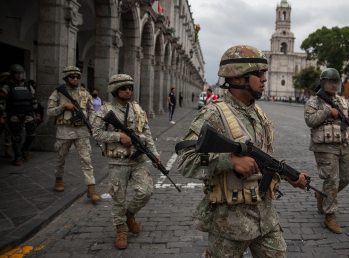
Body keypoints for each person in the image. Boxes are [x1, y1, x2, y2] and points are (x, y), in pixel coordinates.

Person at [176, 45, 309, 257]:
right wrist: (230, 161)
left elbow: (264, 157)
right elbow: (185, 160)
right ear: (237, 78)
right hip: (229, 225)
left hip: (265, 220)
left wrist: (288, 174)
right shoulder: (213, 114)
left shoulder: (257, 113)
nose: (264, 79)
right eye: (259, 74)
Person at [92, 74, 160, 250]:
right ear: (115, 91)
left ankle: (130, 215)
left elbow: (147, 132)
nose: (128, 90)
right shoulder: (106, 110)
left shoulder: (137, 109)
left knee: (146, 191)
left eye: (130, 87)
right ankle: (121, 229)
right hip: (118, 162)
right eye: (123, 88)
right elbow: (96, 133)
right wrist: (118, 136)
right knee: (118, 198)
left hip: (137, 160)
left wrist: (154, 154)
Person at [304, 68, 349, 234]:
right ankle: (330, 215)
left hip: (342, 146)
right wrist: (328, 111)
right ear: (323, 83)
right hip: (324, 147)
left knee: (346, 177)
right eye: (330, 82)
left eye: (336, 82)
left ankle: (323, 196)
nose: (333, 85)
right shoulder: (314, 102)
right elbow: (310, 120)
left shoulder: (343, 102)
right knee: (332, 180)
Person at [46, 66, 100, 202]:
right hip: (64, 131)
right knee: (60, 158)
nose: (75, 79)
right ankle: (58, 179)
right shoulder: (58, 93)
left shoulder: (84, 93)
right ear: (66, 78)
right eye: (72, 77)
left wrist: (91, 123)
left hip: (81, 131)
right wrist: (63, 106)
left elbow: (91, 110)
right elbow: (50, 112)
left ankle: (91, 188)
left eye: (77, 77)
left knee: (86, 160)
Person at [0, 64, 41, 165]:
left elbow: (34, 100)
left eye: (21, 73)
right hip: (14, 114)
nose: (19, 76)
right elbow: (1, 102)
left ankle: (25, 150)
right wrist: (1, 115)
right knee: (16, 137)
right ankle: (18, 157)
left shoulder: (28, 86)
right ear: (13, 74)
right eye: (17, 74)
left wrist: (38, 113)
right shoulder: (7, 86)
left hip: (27, 113)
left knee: (32, 133)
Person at [0, 71, 13, 158]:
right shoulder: (4, 88)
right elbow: (1, 102)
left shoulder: (11, 87)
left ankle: (8, 150)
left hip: (9, 113)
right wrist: (1, 116)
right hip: (3, 113)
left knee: (9, 133)